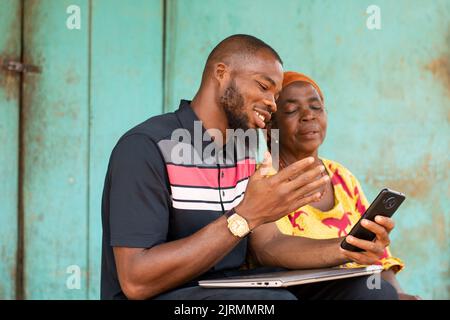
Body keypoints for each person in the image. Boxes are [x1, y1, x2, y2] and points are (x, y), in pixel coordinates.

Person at [100, 34, 398, 300]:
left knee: (371, 292)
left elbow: (268, 244)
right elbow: (137, 281)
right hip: (168, 296)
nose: (271, 103)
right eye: (263, 87)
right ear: (221, 73)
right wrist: (246, 215)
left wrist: (345, 248)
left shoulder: (245, 150)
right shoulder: (147, 147)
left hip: (233, 288)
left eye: (276, 95)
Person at [264, 71, 421, 300]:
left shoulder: (342, 177)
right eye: (291, 110)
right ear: (270, 126)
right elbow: (267, 250)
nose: (308, 115)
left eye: (316, 107)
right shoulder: (264, 180)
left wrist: (399, 295)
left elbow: (378, 258)